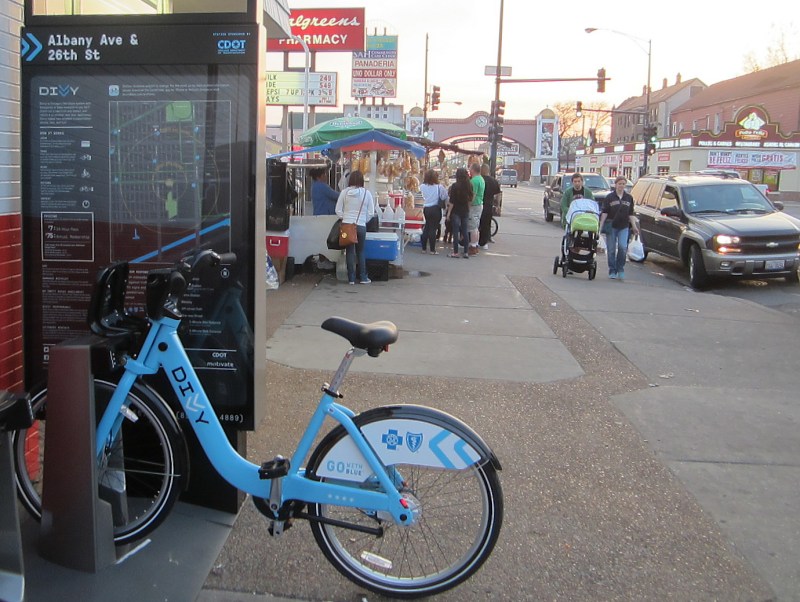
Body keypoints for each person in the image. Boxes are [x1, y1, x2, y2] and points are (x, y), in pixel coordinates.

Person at [335, 170, 377, 284]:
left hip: (347, 226)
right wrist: (363, 220)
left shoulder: (344, 192)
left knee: (349, 252)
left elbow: (338, 210)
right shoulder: (366, 193)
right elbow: (371, 212)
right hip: (361, 226)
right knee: (361, 251)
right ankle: (363, 277)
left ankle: (351, 278)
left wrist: (346, 218)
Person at [598, 175, 639, 280]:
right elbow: (605, 212)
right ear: (615, 185)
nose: (621, 186)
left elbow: (631, 213)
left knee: (622, 247)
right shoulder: (609, 197)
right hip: (611, 225)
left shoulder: (629, 198)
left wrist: (634, 226)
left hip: (624, 226)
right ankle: (612, 269)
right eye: (619, 184)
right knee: (611, 249)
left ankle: (620, 268)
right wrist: (600, 227)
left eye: (623, 184)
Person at [419, 169, 448, 254]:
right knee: (433, 229)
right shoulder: (439, 187)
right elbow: (444, 197)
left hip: (425, 209)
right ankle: (432, 250)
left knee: (426, 228)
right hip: (436, 209)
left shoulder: (422, 186)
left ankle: (423, 248)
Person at [446, 167, 473, 258]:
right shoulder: (469, 186)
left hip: (456, 211)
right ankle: (465, 252)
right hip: (465, 211)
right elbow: (470, 200)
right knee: (465, 231)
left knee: (456, 231)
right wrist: (468, 209)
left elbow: (452, 201)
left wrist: (449, 213)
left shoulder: (455, 186)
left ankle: (456, 252)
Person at [479, 164, 500, 248]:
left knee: (476, 224)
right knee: (486, 224)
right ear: (488, 171)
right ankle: (484, 243)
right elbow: (498, 194)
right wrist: (498, 205)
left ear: (481, 170)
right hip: (488, 205)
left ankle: (474, 241)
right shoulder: (493, 181)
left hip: (478, 204)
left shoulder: (478, 180)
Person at [468, 163, 485, 255]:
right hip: (479, 204)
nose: (469, 171)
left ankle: (473, 246)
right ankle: (475, 244)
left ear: (473, 170)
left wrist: (468, 205)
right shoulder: (481, 179)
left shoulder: (474, 181)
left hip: (474, 205)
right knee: (476, 226)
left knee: (472, 227)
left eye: (470, 169)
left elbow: (472, 195)